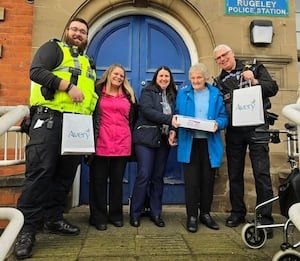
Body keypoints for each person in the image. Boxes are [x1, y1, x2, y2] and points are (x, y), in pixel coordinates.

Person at [14, 18, 98, 259]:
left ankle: (53, 219)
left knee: (64, 176)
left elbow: (91, 98)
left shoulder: (87, 62)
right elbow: (36, 72)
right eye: (74, 29)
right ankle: (26, 230)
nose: (78, 34)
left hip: (76, 125)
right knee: (40, 174)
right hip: (50, 121)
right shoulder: (53, 49)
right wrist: (66, 86)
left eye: (83, 31)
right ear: (66, 31)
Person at [213, 44, 278, 236]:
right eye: (218, 58)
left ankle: (264, 219)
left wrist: (256, 81)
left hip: (257, 127)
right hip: (234, 131)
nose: (222, 59)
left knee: (262, 174)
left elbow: (273, 88)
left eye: (225, 55)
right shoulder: (219, 81)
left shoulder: (254, 68)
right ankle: (237, 213)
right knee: (234, 174)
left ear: (232, 53)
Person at [168, 63, 228, 233]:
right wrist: (173, 130)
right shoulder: (183, 93)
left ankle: (206, 214)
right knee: (192, 182)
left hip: (209, 144)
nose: (196, 80)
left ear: (205, 78)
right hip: (190, 143)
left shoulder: (215, 94)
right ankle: (192, 216)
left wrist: (218, 123)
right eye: (193, 78)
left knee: (207, 181)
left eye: (199, 77)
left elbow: (224, 117)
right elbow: (176, 116)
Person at [88, 64, 137, 231]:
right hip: (101, 142)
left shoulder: (128, 95)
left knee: (117, 182)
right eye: (116, 74)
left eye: (122, 75)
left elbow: (133, 119)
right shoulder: (96, 91)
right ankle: (98, 217)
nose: (119, 77)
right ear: (108, 74)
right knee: (98, 182)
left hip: (122, 143)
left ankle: (116, 215)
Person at [130, 66, 178, 227]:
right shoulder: (147, 91)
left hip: (163, 141)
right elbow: (147, 111)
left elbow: (175, 117)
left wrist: (172, 131)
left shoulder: (172, 95)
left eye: (167, 76)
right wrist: (170, 120)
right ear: (156, 77)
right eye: (161, 75)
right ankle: (135, 212)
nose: (164, 78)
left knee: (158, 177)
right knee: (144, 174)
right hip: (145, 138)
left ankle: (155, 213)